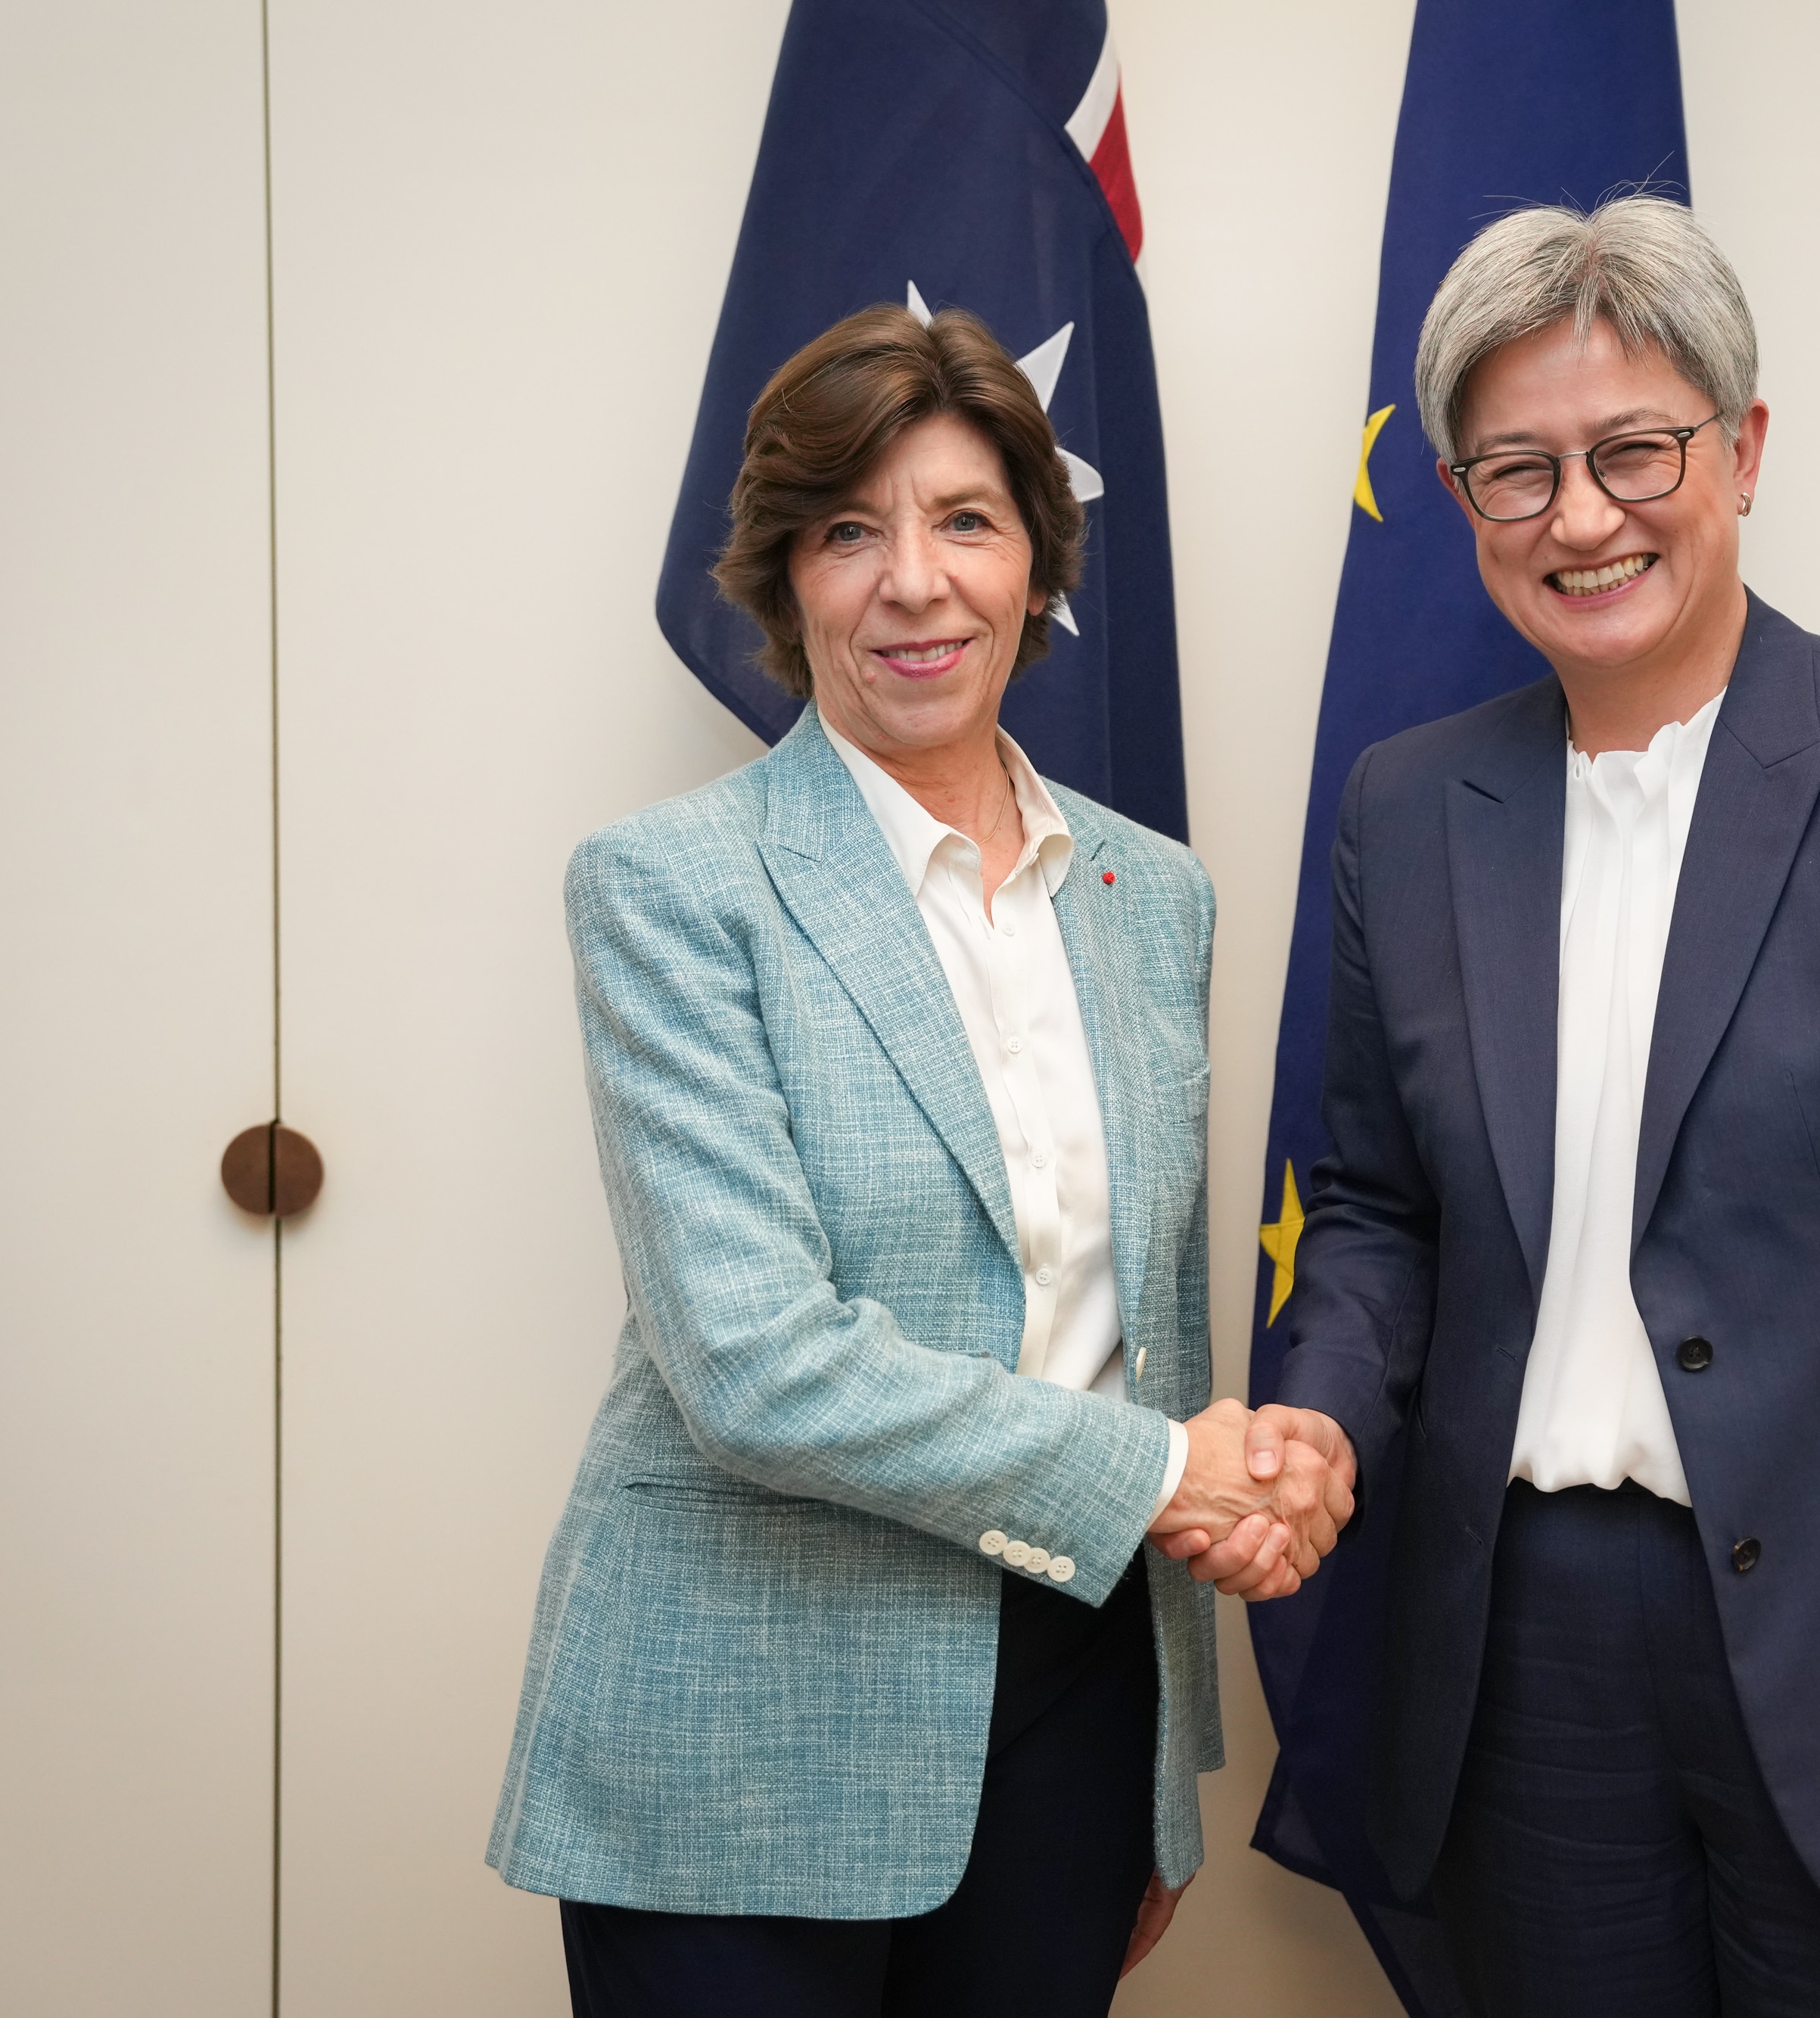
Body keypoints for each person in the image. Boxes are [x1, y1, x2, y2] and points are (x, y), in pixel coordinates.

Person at [1203, 197, 1820, 2013]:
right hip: (1524, 1654)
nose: (1580, 517)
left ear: (1737, 448)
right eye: (1515, 471)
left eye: (1630, 450)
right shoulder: (1406, 808)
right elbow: (1372, 1207)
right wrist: (1317, 1420)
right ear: (1460, 502)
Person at [487, 303, 1349, 2018]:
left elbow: (1150, 1333)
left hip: (1072, 1709)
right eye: (846, 531)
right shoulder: (671, 886)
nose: (912, 582)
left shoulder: (1149, 891)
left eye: (965, 520)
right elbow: (752, 1363)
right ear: (782, 576)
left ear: (1037, 563)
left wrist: (1163, 1758)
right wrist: (1160, 1473)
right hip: (744, 1717)